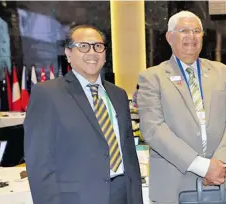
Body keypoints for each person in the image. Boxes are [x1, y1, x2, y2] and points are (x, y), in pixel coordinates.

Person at [24, 25, 142, 204]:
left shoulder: (118, 94)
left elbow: (130, 156)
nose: (92, 52)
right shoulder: (47, 94)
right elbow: (39, 163)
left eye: (98, 46)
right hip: (77, 198)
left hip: (122, 194)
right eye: (83, 46)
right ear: (68, 53)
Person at [137, 11, 226, 203]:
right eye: (184, 30)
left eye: (196, 31)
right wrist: (201, 166)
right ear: (169, 37)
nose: (191, 37)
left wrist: (220, 162)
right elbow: (153, 129)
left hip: (218, 179)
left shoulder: (221, 72)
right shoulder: (152, 77)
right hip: (173, 182)